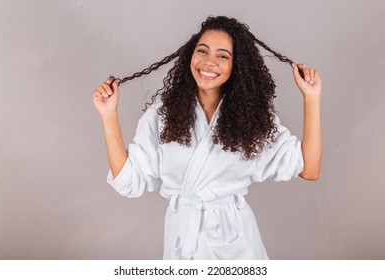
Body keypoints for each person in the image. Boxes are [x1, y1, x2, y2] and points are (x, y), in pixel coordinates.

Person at [92, 16, 321, 260]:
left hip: (235, 245)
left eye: (223, 55)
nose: (209, 62)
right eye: (202, 51)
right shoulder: (163, 113)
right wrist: (108, 116)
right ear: (190, 56)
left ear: (237, 66)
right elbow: (128, 180)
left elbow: (309, 168)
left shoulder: (254, 120)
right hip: (182, 241)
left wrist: (312, 98)